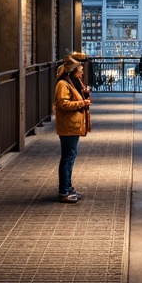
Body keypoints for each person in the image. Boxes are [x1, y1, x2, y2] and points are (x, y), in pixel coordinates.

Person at [54, 55, 91, 203]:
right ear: (72, 71)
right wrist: (82, 103)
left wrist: (84, 95)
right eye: (80, 70)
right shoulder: (63, 84)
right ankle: (64, 190)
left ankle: (68, 187)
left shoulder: (72, 82)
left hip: (72, 125)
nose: (82, 72)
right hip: (68, 126)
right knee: (68, 158)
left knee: (70, 156)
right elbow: (63, 104)